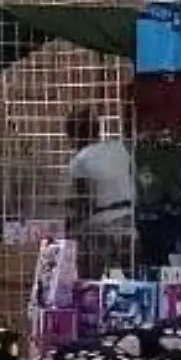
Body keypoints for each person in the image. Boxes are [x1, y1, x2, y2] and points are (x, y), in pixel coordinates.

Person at [63, 105, 135, 275]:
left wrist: (68, 222)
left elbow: (84, 201)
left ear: (73, 137)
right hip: (129, 220)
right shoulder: (120, 148)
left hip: (100, 227)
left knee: (89, 278)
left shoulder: (79, 161)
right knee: (133, 276)